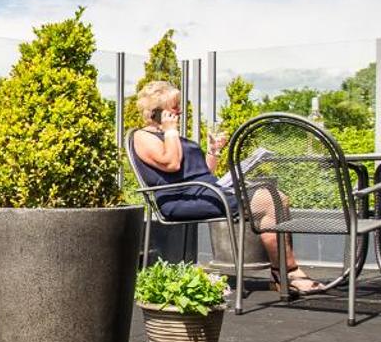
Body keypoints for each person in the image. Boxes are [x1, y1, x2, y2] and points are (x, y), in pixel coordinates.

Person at [127, 80, 320, 294]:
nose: (180, 111)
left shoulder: (173, 136)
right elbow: (171, 164)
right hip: (180, 200)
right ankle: (287, 272)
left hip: (204, 191)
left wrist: (213, 151)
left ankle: (282, 272)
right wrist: (170, 131)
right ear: (158, 111)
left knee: (277, 197)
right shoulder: (142, 136)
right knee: (268, 200)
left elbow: (203, 174)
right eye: (175, 107)